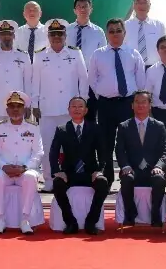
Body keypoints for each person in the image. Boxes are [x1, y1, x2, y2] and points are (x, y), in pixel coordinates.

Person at [32, 18, 89, 191]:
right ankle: (49, 180)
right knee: (48, 146)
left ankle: (71, 178)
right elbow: (35, 81)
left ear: (65, 36)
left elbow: (83, 79)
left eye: (60, 34)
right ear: (48, 36)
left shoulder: (75, 53)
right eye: (53, 34)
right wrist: (34, 104)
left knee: (71, 146)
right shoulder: (40, 54)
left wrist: (82, 102)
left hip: (70, 110)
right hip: (47, 109)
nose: (56, 37)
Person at [89, 18, 145, 183]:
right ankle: (107, 178)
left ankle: (130, 177)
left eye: (118, 30)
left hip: (127, 103)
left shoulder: (134, 53)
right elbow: (92, 79)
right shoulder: (98, 54)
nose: (115, 34)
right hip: (106, 104)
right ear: (107, 34)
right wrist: (103, 93)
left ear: (124, 33)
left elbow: (140, 80)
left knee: (129, 141)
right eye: (111, 31)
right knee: (105, 142)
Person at [49, 96, 109, 235]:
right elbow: (53, 152)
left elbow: (103, 152)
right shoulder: (62, 129)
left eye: (80, 106)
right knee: (57, 184)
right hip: (69, 173)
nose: (77, 109)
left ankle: (91, 222)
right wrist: (57, 171)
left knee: (103, 183)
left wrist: (99, 170)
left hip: (89, 173)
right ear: (69, 110)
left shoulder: (95, 128)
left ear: (86, 110)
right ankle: (70, 222)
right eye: (74, 107)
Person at [0, 91, 44, 234]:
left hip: (24, 170)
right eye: (12, 106)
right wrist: (4, 167)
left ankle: (25, 220)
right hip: (4, 170)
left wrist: (25, 167)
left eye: (18, 106)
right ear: (7, 110)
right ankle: (0, 219)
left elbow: (38, 153)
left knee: (31, 177)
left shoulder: (33, 128)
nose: (15, 109)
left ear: (24, 109)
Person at [115, 90, 166, 227]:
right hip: (132, 169)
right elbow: (120, 150)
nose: (140, 105)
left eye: (144, 102)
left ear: (150, 105)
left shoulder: (159, 126)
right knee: (127, 178)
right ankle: (130, 214)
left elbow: (164, 151)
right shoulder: (124, 126)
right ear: (132, 105)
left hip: (152, 169)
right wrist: (125, 166)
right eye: (137, 102)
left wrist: (158, 166)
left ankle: (155, 214)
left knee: (159, 179)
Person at [0, 20, 32, 136]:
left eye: (9, 34)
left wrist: (28, 105)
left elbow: (28, 82)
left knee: (18, 139)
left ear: (14, 36)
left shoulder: (23, 56)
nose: (6, 37)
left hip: (18, 106)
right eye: (3, 34)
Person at [66, 0, 107, 123]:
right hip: (69, 77)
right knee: (69, 113)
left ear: (91, 9)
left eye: (85, 6)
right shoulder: (66, 30)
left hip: (90, 78)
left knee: (89, 115)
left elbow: (103, 57)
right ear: (74, 10)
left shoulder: (98, 32)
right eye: (79, 7)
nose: (82, 9)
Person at [123, 0, 166, 68]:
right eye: (138, 2)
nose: (142, 5)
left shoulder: (159, 26)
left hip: (155, 68)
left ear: (149, 5)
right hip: (132, 68)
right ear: (134, 5)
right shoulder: (124, 26)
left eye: (145, 2)